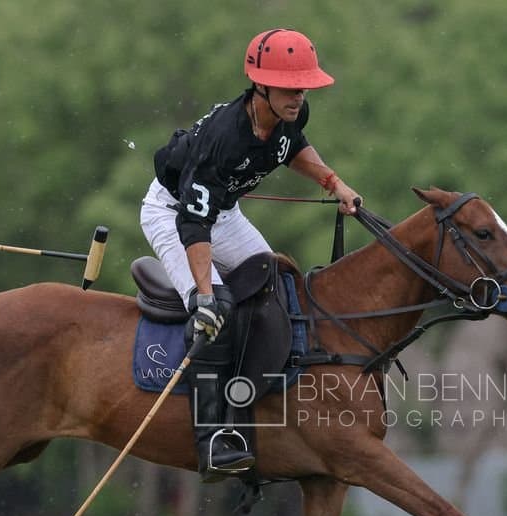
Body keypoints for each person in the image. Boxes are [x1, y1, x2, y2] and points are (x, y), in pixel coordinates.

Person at [141, 28, 361, 482]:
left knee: (273, 287)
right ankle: (213, 443)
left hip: (224, 214)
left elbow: (292, 147)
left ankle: (254, 403)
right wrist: (203, 294)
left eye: (303, 87)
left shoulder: (290, 113)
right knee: (215, 310)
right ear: (260, 85)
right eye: (288, 87)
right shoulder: (224, 139)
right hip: (173, 213)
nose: (298, 96)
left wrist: (333, 183)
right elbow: (193, 224)